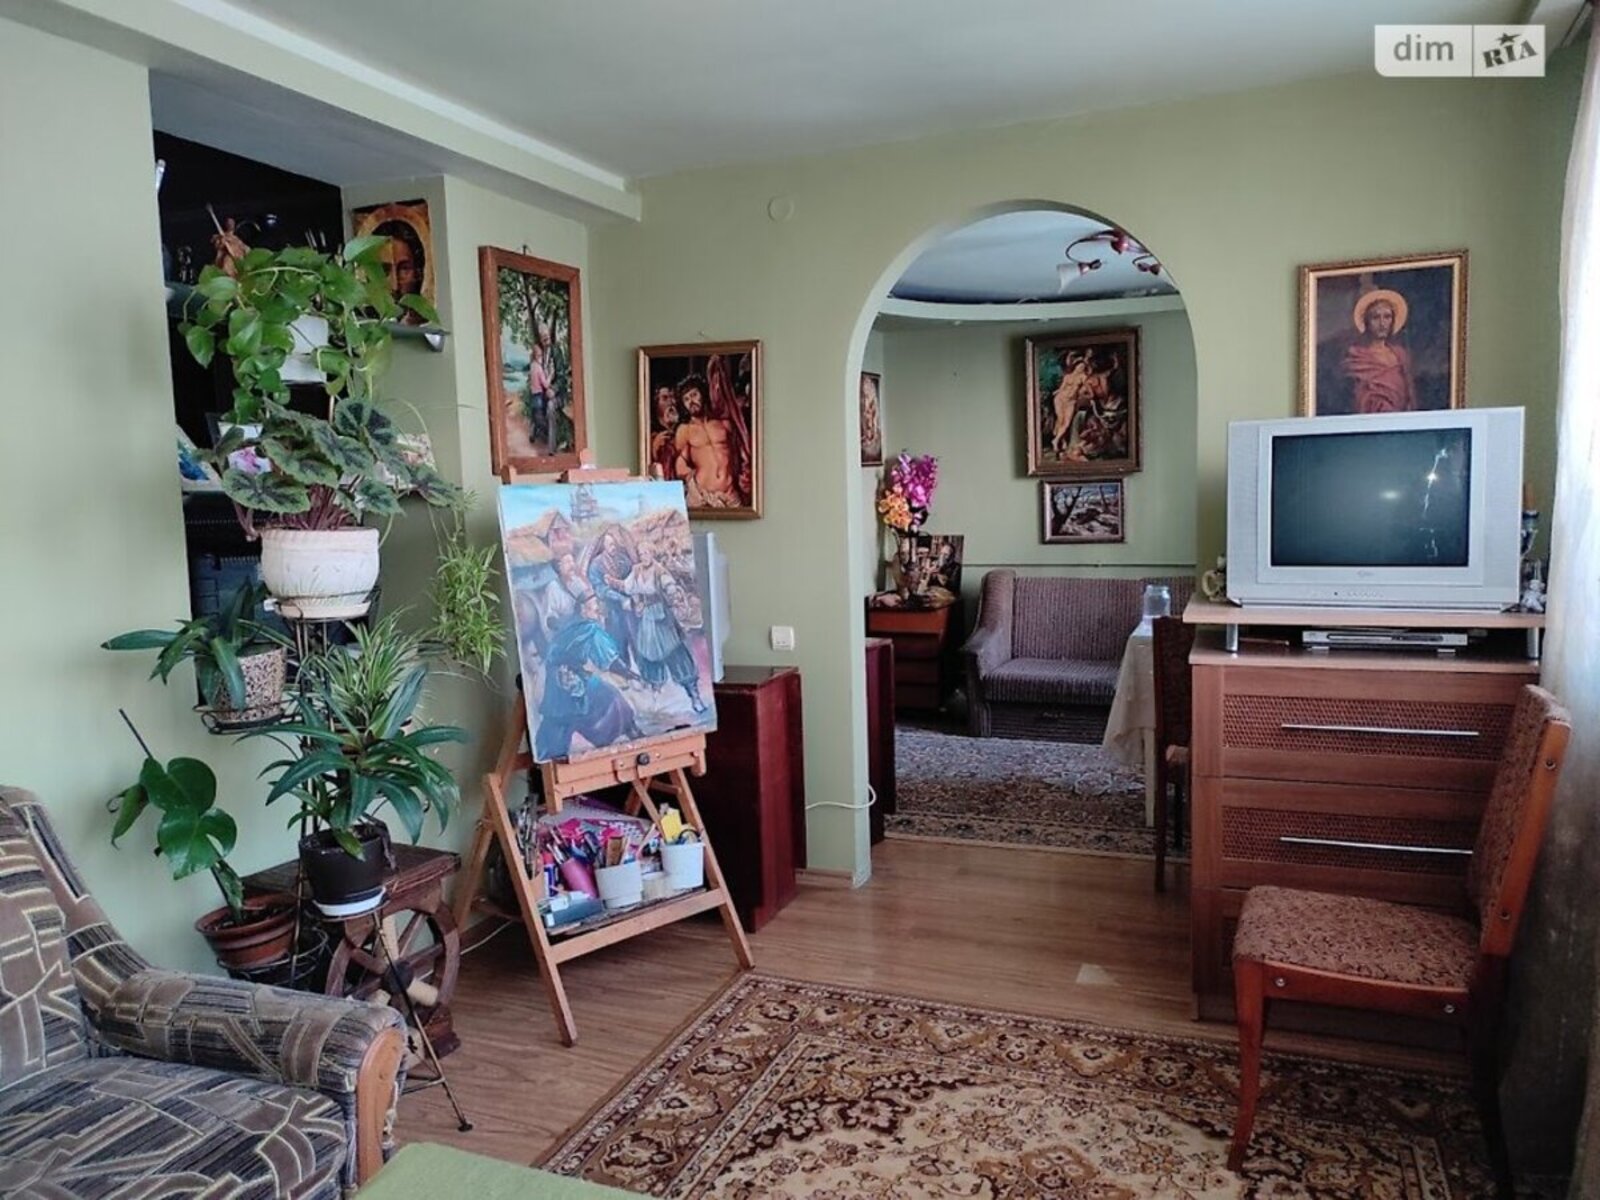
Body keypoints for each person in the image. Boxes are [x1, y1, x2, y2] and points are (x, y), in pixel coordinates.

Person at [534, 595, 643, 759]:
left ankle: (631, 731)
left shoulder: (570, 622)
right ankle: (632, 732)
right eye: (595, 608)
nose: (599, 612)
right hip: (569, 678)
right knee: (613, 699)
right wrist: (630, 674)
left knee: (559, 721)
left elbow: (554, 625)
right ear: (583, 610)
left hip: (558, 679)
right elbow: (610, 661)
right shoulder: (590, 629)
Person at [625, 541, 707, 714]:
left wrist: (672, 591)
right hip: (647, 618)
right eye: (641, 553)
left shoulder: (659, 570)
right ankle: (656, 697)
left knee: (675, 653)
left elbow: (669, 585)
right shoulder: (636, 570)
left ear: (652, 554)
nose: (644, 556)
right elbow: (629, 587)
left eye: (646, 553)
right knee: (649, 654)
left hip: (662, 616)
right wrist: (637, 602)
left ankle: (694, 696)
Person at [672, 373, 744, 508]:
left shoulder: (723, 424)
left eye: (694, 395)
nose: (691, 401)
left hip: (730, 494)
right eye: (686, 399)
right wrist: (692, 480)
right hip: (702, 495)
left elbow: (740, 453)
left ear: (703, 394)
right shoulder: (684, 430)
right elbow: (679, 463)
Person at [1341, 288, 1417, 413]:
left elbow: (1409, 392)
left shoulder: (1400, 354)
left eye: (1387, 317)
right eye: (1375, 317)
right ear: (1367, 322)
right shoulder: (1357, 356)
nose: (1382, 323)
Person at [525, 340, 555, 445]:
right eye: (540, 355)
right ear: (536, 356)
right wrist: (550, 375)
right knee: (539, 418)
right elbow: (545, 384)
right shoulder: (538, 368)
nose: (542, 358)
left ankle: (533, 436)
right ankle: (546, 434)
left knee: (535, 416)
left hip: (533, 395)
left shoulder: (532, 366)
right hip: (538, 395)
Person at [648, 388, 681, 480]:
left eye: (673, 397)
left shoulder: (684, 428)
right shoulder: (650, 433)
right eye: (665, 398)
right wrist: (654, 448)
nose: (670, 402)